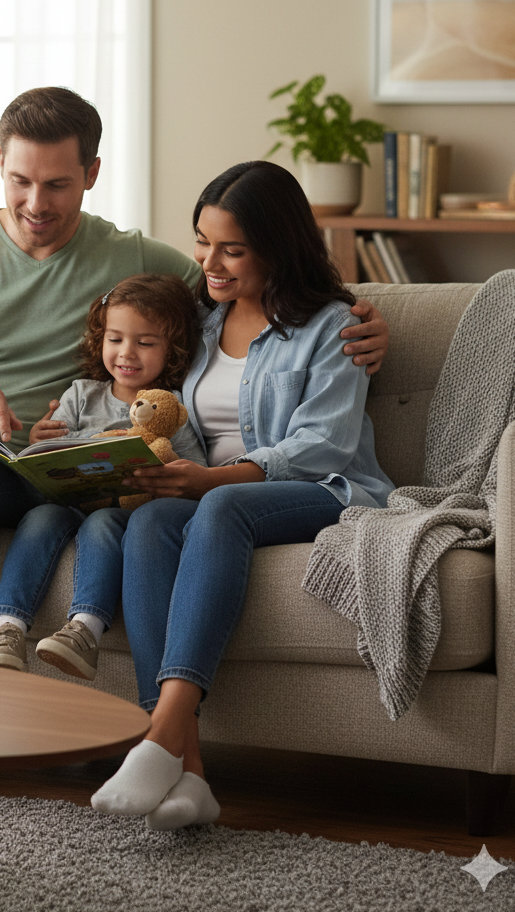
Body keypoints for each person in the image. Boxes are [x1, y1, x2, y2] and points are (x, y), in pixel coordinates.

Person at [0, 88, 390, 814]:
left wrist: (368, 313)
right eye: (20, 180)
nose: (37, 201)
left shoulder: (142, 264)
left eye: (58, 184)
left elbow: (268, 286)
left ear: (91, 174)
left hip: (39, 467)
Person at [86, 160, 395, 832]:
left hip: (321, 490)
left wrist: (210, 481)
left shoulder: (334, 325)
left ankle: (158, 730)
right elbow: (154, 398)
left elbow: (323, 447)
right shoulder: (195, 320)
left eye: (232, 248)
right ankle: (190, 774)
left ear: (277, 247)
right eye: (202, 241)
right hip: (206, 490)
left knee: (218, 505)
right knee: (150, 524)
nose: (210, 262)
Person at [0, 273, 204, 680]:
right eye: (115, 339)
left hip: (125, 512)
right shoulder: (81, 394)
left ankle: (84, 630)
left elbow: (191, 474)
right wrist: (36, 440)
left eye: (146, 342)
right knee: (39, 518)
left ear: (173, 351)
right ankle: (7, 631)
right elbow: (48, 448)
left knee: (102, 524)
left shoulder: (174, 409)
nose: (126, 353)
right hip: (66, 500)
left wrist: (161, 471)